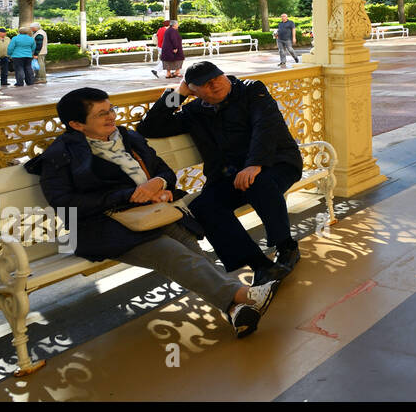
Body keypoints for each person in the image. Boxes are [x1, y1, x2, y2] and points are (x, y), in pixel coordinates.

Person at [28, 87, 278, 337]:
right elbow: (64, 203)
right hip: (102, 227)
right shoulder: (60, 155)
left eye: (111, 109)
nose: (111, 117)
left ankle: (235, 310)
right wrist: (128, 196)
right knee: (171, 253)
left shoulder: (127, 137)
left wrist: (158, 184)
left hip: (152, 213)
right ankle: (245, 294)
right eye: (101, 114)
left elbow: (164, 172)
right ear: (76, 124)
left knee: (192, 251)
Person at [137, 61, 303, 287]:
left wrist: (255, 163)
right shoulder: (194, 111)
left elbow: (265, 126)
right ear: (193, 91)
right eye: (205, 84)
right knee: (203, 205)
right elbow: (149, 127)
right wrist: (178, 93)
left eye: (217, 78)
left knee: (257, 181)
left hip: (276, 163)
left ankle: (286, 247)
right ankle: (260, 265)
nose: (214, 85)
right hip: (230, 175)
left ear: (225, 75)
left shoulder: (252, 90)